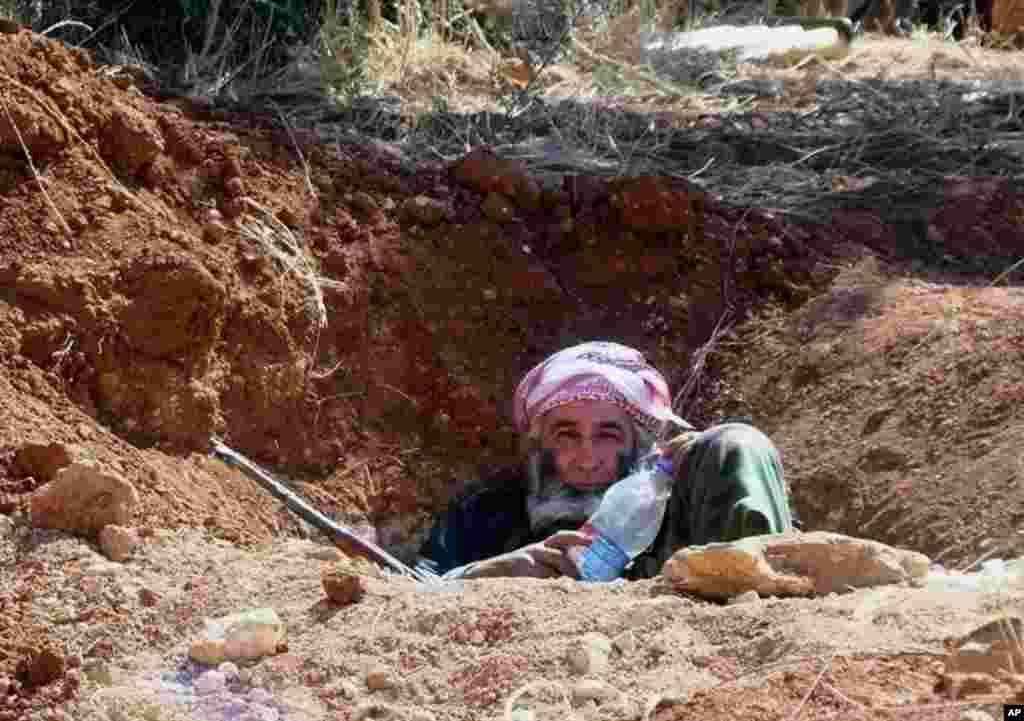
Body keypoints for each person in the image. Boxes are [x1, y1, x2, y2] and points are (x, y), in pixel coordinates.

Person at [415, 341, 796, 581]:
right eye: (565, 435)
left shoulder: (674, 498)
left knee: (737, 442)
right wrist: (494, 571)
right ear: (537, 442)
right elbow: (405, 592)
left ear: (639, 443)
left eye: (608, 435)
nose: (587, 459)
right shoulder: (484, 511)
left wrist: (710, 465)